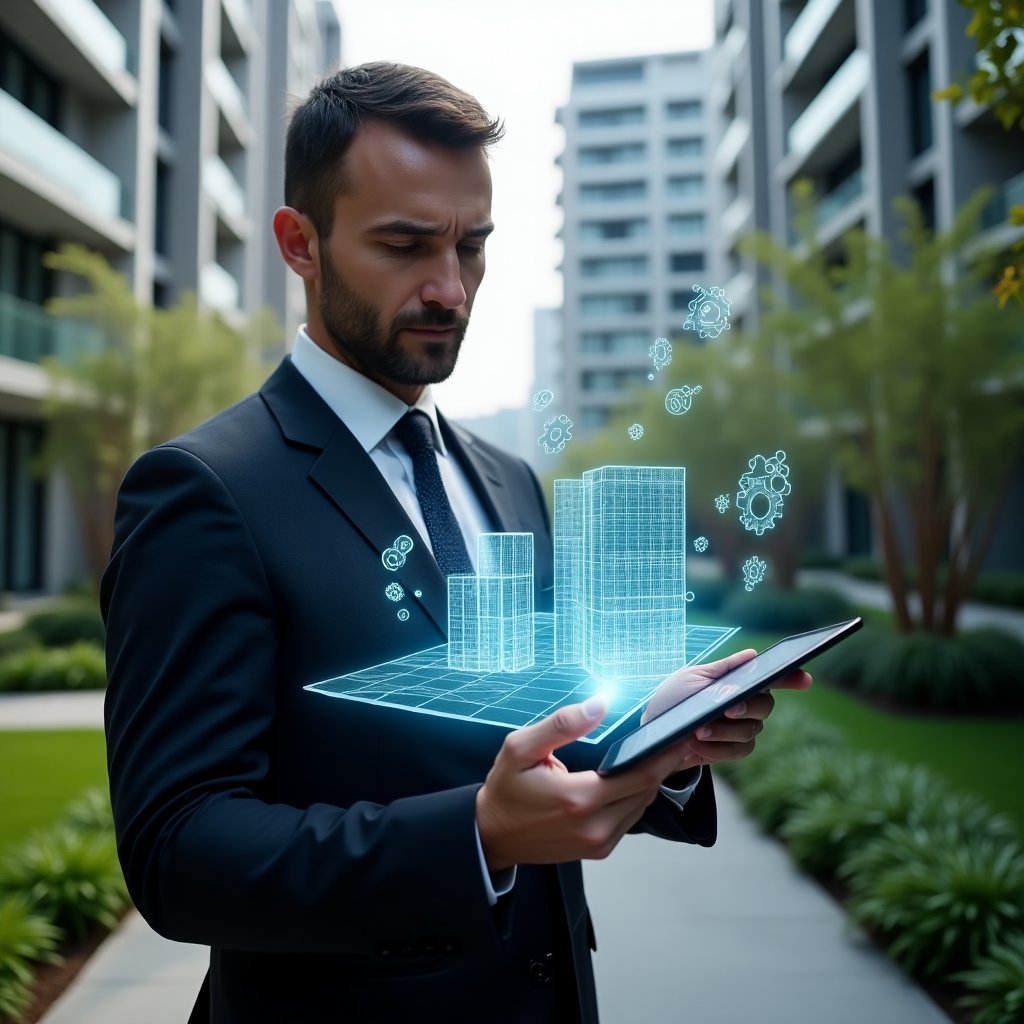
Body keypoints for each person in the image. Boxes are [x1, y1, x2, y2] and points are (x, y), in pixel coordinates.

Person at [101, 62, 810, 1024]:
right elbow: (179, 852)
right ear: (298, 244)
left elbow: (540, 732)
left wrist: (653, 737)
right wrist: (476, 834)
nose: (450, 287)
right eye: (404, 245)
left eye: (472, 246)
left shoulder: (508, 482)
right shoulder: (204, 490)